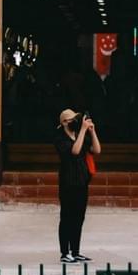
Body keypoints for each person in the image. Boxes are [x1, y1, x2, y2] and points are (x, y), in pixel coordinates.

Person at [54, 108, 101, 263]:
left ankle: (75, 251)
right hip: (68, 182)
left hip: (81, 182)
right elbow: (74, 151)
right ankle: (65, 252)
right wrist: (82, 131)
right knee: (67, 217)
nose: (74, 122)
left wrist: (92, 132)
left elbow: (97, 150)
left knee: (79, 218)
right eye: (71, 120)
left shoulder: (80, 136)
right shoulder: (60, 139)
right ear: (64, 122)